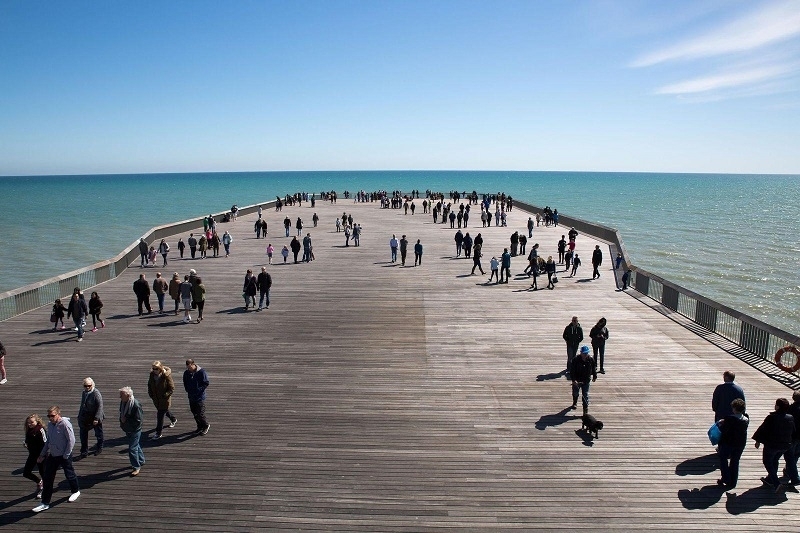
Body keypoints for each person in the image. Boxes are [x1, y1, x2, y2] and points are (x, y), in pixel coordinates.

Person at [32, 406, 81, 512]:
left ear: (59, 414)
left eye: (52, 416)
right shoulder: (50, 425)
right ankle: (45, 502)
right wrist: (42, 454)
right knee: (47, 478)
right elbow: (49, 440)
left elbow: (71, 440)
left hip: (64, 456)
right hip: (53, 455)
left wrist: (66, 455)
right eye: (48, 416)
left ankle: (75, 491)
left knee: (69, 474)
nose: (50, 418)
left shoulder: (65, 424)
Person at [752, 397, 795, 490]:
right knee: (775, 460)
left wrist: (757, 440)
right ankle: (770, 479)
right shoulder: (790, 418)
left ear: (778, 407)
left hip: (772, 445)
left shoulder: (772, 417)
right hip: (785, 445)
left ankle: (776, 483)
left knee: (767, 461)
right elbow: (793, 431)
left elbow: (763, 429)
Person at [717, 398, 749, 489]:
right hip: (740, 444)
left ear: (734, 408)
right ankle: (733, 482)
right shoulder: (746, 419)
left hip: (728, 443)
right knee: (735, 461)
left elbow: (724, 430)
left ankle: (726, 478)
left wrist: (721, 423)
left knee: (723, 458)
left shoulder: (729, 419)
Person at [147, 361, 177, 440]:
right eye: (153, 368)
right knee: (165, 411)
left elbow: (171, 388)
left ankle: (158, 432)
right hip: (156, 400)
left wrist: (165, 395)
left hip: (164, 400)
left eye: (156, 369)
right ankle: (173, 419)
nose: (154, 370)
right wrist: (151, 394)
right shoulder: (152, 375)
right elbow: (149, 385)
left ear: (160, 368)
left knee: (160, 415)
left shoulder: (166, 376)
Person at [119, 386, 145, 476]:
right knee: (136, 445)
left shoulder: (135, 405)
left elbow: (138, 420)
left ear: (128, 395)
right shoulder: (123, 402)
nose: (120, 397)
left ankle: (136, 467)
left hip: (135, 430)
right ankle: (141, 460)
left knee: (132, 449)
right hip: (127, 428)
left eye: (121, 395)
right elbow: (121, 413)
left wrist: (126, 420)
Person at [77, 377, 104, 458]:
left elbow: (100, 406)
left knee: (98, 434)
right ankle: (84, 451)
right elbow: (82, 405)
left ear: (92, 385)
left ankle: (99, 447)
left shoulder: (96, 393)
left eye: (89, 385)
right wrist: (79, 416)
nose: (87, 387)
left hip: (95, 416)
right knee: (83, 435)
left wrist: (96, 418)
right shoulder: (84, 392)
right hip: (85, 417)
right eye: (85, 386)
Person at [183, 359, 210, 435]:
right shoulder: (186, 373)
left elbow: (206, 383)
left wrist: (199, 390)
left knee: (200, 413)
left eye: (190, 367)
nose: (189, 369)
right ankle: (199, 426)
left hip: (199, 397)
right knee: (194, 413)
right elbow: (185, 382)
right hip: (191, 396)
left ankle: (205, 425)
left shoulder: (201, 372)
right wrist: (187, 389)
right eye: (187, 367)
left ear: (193, 364)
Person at [23, 414, 47, 499]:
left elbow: (44, 443)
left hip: (41, 455)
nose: (29, 424)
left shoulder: (40, 430)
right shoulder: (29, 430)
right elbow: (28, 439)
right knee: (26, 472)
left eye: (32, 422)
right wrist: (26, 444)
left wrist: (41, 456)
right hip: (32, 454)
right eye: (28, 423)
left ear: (37, 421)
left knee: (43, 472)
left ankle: (43, 488)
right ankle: (39, 481)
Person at [570, 346, 597, 415]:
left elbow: (594, 368)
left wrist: (594, 375)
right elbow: (572, 371)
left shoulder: (591, 360)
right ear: (581, 353)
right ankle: (575, 402)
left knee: (585, 395)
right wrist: (573, 380)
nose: (585, 355)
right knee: (575, 392)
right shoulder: (575, 359)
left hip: (586, 380)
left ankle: (585, 409)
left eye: (586, 353)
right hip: (577, 380)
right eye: (584, 353)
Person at [784, 391, 800, 487]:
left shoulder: (791, 409)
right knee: (796, 455)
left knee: (789, 456)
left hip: (793, 437)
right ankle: (788, 471)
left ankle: (795, 478)